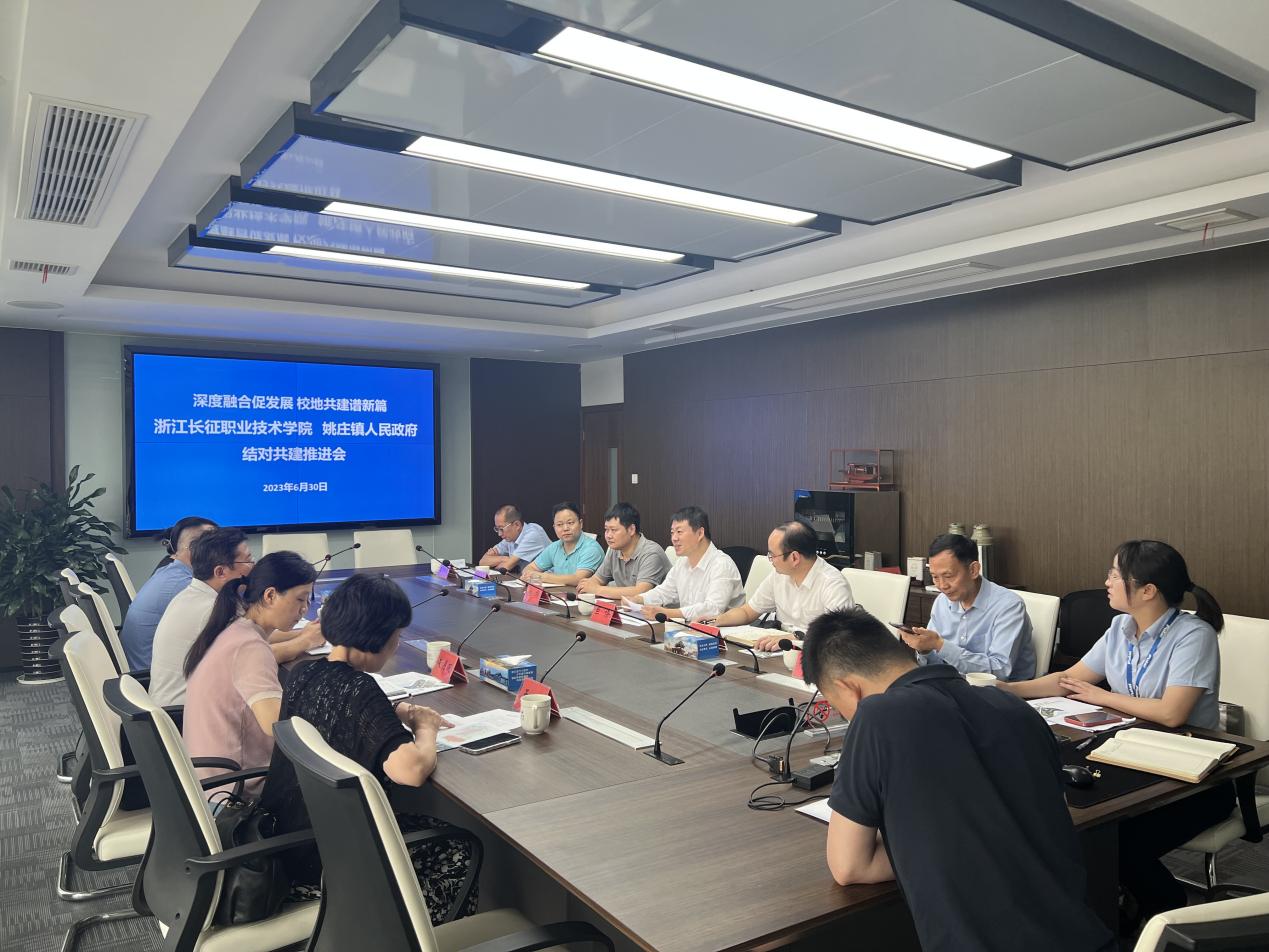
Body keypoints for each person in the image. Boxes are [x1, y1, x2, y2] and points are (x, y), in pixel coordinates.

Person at [802, 607, 1115, 952]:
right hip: (1085, 936)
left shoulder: (876, 717)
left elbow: (850, 866)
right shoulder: (1013, 706)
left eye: (838, 706)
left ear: (848, 688)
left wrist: (928, 841)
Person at [1001, 540, 1228, 931]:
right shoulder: (1120, 628)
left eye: (1114, 575)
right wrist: (1004, 690)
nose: (1106, 582)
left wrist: (1102, 696)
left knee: (1117, 843)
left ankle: (1166, 910)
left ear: (1147, 590)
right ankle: (1111, 913)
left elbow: (1172, 713)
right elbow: (1069, 681)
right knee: (1070, 819)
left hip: (1194, 777)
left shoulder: (1194, 635)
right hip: (1132, 755)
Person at [260, 574, 479, 923]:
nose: (396, 645)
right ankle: (417, 935)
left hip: (285, 841)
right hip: (327, 863)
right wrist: (425, 728)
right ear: (380, 637)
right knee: (457, 845)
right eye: (396, 637)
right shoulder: (360, 687)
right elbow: (410, 771)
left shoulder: (303, 673)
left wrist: (392, 712)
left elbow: (335, 710)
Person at [182, 551, 316, 797]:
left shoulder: (235, 629)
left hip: (210, 782)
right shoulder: (250, 647)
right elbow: (278, 726)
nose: (305, 609)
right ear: (270, 595)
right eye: (300, 599)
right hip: (234, 792)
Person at [149, 529, 325, 705]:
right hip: (183, 710)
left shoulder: (195, 596)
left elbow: (258, 634)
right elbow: (255, 656)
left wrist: (303, 632)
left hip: (183, 704)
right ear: (220, 572)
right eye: (248, 560)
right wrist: (305, 642)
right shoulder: (211, 611)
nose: (254, 567)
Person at [900, 533, 1035, 681]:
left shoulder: (1008, 606)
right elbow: (936, 666)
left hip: (1000, 690)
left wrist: (940, 645)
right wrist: (924, 650)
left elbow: (999, 672)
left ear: (973, 570)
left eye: (948, 576)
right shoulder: (942, 602)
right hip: (953, 685)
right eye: (935, 577)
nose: (942, 585)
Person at [705, 521, 853, 649]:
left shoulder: (832, 583)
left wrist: (794, 638)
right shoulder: (779, 576)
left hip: (815, 655)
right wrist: (714, 621)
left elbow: (839, 635)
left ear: (794, 558)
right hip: (779, 650)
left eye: (772, 555)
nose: (770, 560)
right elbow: (748, 612)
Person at [119, 515, 217, 669]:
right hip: (148, 675)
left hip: (142, 668)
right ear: (198, 548)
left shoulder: (170, 571)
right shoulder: (182, 585)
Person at [631, 506, 743, 622]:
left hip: (722, 630)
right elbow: (664, 592)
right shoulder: (682, 562)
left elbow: (712, 609)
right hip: (690, 627)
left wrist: (668, 613)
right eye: (672, 533)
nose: (674, 538)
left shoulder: (721, 564)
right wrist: (637, 599)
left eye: (679, 532)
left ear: (700, 533)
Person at [575, 502, 670, 599]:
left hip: (661, 608)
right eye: (606, 530)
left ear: (631, 529)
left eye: (613, 530)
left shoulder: (651, 553)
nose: (608, 535)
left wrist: (597, 589)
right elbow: (597, 579)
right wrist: (588, 585)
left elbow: (641, 592)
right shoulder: (614, 550)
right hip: (627, 606)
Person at [521, 501, 604, 586]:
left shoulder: (592, 549)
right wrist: (529, 574)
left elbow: (578, 579)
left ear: (581, 524)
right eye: (559, 524)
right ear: (554, 527)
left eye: (570, 523)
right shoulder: (554, 547)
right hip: (559, 593)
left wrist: (541, 576)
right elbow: (529, 568)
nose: (565, 528)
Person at [477, 505, 550, 572]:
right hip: (527, 578)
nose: (499, 534)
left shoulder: (533, 534)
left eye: (501, 529)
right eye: (497, 529)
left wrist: (502, 561)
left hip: (549, 579)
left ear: (517, 525)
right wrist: (504, 558)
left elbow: (505, 567)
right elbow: (482, 562)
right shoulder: (510, 538)